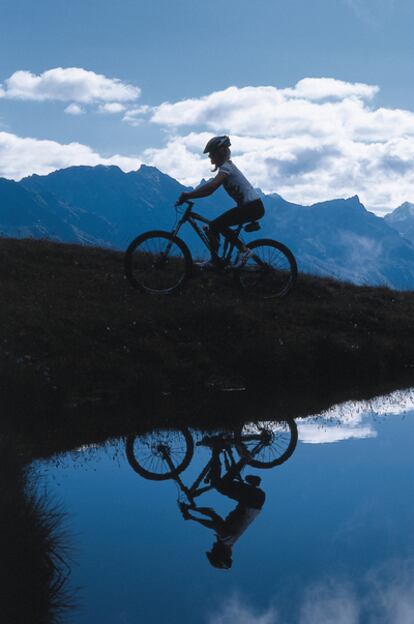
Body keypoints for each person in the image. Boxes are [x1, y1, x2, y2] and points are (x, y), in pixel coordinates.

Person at [176, 136, 265, 268]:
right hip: (251, 207)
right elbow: (209, 190)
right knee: (215, 226)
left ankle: (244, 251)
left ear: (221, 152)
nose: (209, 156)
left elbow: (212, 187)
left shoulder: (227, 167)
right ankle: (216, 260)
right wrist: (190, 196)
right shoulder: (225, 168)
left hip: (252, 207)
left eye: (212, 153)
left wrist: (188, 195)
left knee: (216, 225)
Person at [179, 447, 266, 570]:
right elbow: (214, 524)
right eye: (213, 551)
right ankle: (217, 449)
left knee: (224, 482)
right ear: (220, 553)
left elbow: (212, 514)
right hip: (252, 500)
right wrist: (193, 517)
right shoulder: (227, 540)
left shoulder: (226, 538)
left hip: (254, 500)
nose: (212, 547)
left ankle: (240, 457)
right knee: (219, 485)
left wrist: (192, 509)